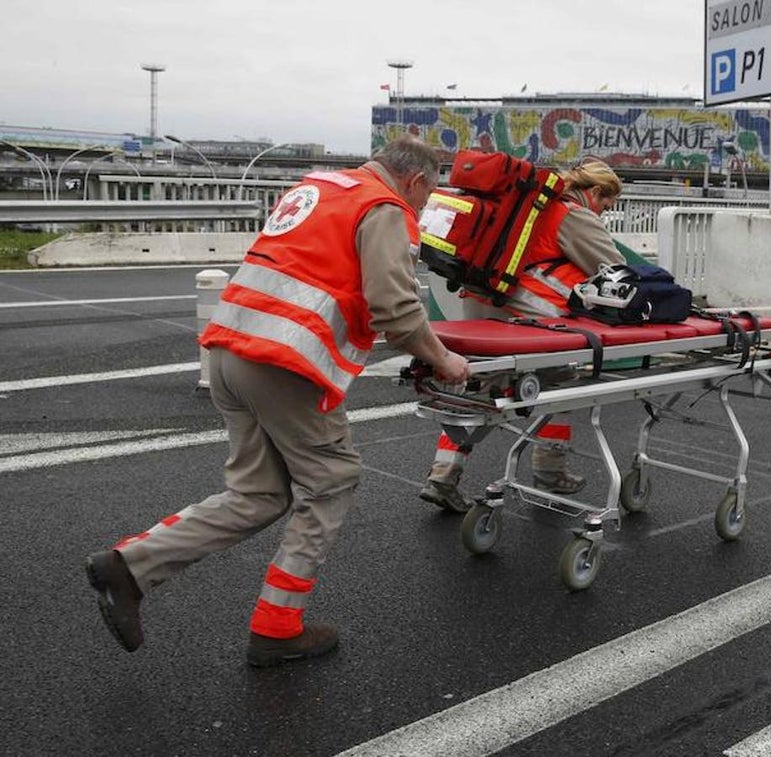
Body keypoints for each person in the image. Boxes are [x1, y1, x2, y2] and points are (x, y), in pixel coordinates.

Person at [85, 135, 470, 667]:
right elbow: (397, 310)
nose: (423, 207)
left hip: (229, 350)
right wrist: (444, 359)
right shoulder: (385, 207)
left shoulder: (318, 187)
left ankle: (127, 567)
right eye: (426, 197)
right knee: (331, 480)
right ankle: (277, 626)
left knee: (259, 494)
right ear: (417, 181)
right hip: (285, 364)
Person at [419, 158, 626, 512]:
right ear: (594, 192)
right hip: (524, 313)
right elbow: (614, 270)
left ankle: (443, 474)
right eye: (606, 204)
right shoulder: (572, 215)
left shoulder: (531, 205)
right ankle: (549, 468)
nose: (606, 212)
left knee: (476, 391)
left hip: (481, 302)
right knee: (562, 384)